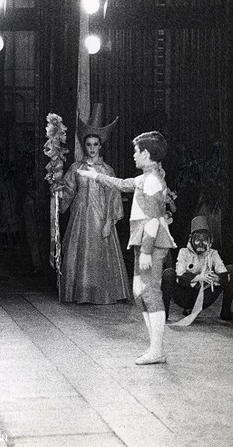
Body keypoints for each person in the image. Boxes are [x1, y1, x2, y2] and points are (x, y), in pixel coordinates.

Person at [78, 131, 176, 365]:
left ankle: (156, 349)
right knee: (139, 292)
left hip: (150, 242)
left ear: (146, 153)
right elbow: (122, 184)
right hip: (143, 240)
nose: (133, 155)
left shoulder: (152, 180)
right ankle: (154, 346)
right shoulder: (146, 177)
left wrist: (145, 251)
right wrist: (95, 176)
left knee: (150, 292)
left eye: (136, 151)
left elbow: (153, 218)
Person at [59, 104, 131, 304]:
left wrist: (109, 222)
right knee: (80, 256)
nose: (91, 148)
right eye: (88, 144)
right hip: (80, 219)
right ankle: (80, 293)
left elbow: (114, 198)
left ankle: (101, 294)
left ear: (101, 146)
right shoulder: (75, 168)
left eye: (95, 145)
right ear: (85, 145)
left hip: (100, 219)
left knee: (99, 256)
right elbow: (68, 191)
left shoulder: (107, 171)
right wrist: (56, 193)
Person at [162, 215, 233, 324]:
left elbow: (223, 271)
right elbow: (180, 274)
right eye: (197, 239)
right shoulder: (183, 252)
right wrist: (198, 278)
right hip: (184, 296)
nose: (201, 243)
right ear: (191, 239)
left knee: (231, 270)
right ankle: (163, 314)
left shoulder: (213, 253)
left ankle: (226, 311)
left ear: (210, 240)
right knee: (168, 273)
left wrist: (218, 278)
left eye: (204, 240)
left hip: (204, 297)